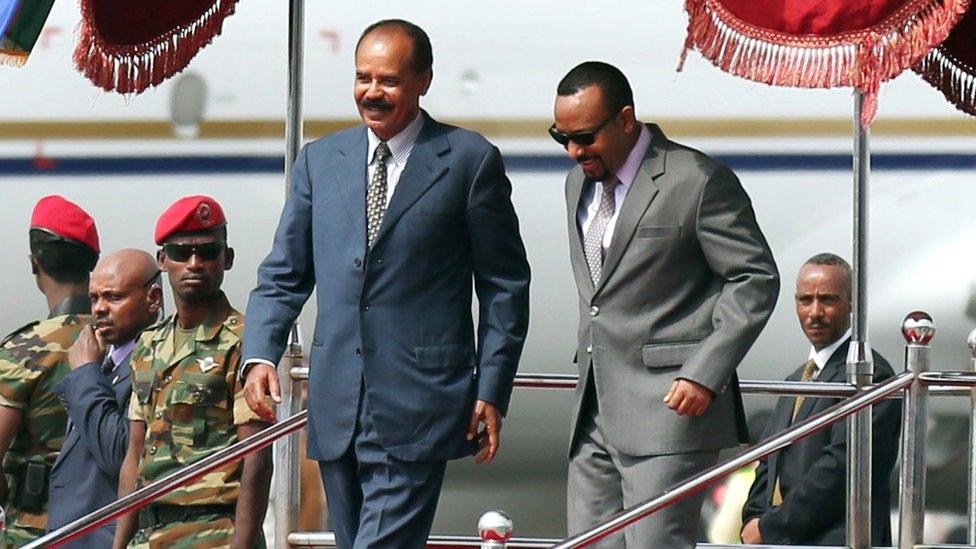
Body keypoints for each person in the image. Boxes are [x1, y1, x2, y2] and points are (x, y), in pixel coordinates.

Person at [241, 19, 531, 548]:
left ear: (424, 81)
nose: (372, 93)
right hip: (337, 405)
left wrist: (491, 386)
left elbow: (504, 285)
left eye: (389, 80)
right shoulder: (320, 162)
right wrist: (261, 353)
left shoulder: (467, 161)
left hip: (418, 403)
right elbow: (283, 273)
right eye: (363, 78)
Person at [552, 61, 779, 548]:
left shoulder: (695, 180)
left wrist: (705, 370)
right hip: (593, 412)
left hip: (668, 413)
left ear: (626, 120)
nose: (574, 151)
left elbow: (755, 278)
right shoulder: (578, 185)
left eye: (586, 136)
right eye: (561, 137)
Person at [113, 196, 271, 549]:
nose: (195, 263)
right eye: (182, 253)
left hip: (215, 532)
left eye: (208, 252)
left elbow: (256, 461)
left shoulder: (247, 341)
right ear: (163, 260)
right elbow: (134, 458)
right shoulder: (150, 344)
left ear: (227, 259)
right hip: (150, 533)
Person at [741, 254, 900, 546]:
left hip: (835, 540)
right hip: (785, 540)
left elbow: (840, 469)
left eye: (827, 299)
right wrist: (752, 519)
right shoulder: (795, 381)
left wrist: (770, 526)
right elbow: (768, 461)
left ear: (853, 303)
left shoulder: (870, 375)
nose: (815, 312)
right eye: (805, 300)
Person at [0, 195, 99, 546]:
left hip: (35, 531)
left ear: (34, 262)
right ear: (92, 263)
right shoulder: (128, 342)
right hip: (108, 527)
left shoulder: (22, 352)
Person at [48, 249, 162, 547]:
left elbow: (121, 454)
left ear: (153, 299)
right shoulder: (105, 359)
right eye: (94, 298)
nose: (99, 309)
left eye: (114, 297)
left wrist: (86, 373)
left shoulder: (154, 361)